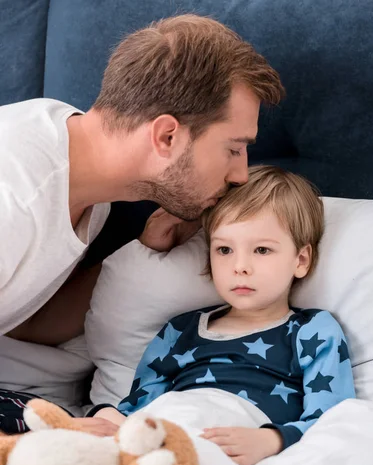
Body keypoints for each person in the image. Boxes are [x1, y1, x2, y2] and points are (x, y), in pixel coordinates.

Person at [0, 15, 284, 435]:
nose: (241, 174)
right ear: (167, 136)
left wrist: (140, 258)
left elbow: (23, 320)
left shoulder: (78, 160)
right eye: (234, 148)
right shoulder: (16, 197)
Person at [93, 165, 355, 465]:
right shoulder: (180, 330)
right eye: (224, 250)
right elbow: (138, 409)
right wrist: (106, 416)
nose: (240, 266)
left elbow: (333, 419)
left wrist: (271, 440)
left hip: (240, 447)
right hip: (168, 435)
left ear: (301, 259)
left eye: (262, 250)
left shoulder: (311, 330)